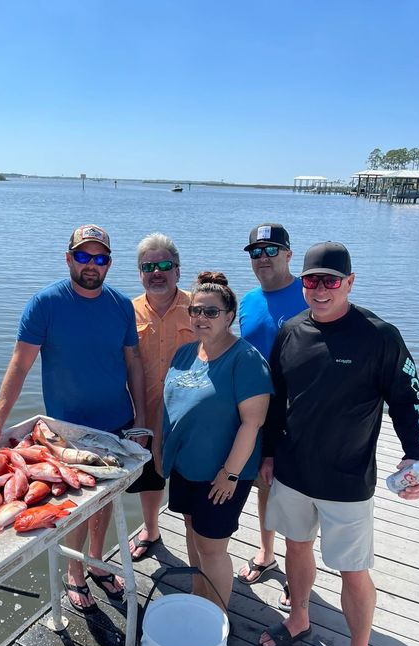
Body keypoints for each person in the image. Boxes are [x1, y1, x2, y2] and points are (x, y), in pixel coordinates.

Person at [258, 241, 419, 646]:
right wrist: (269, 454)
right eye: (311, 281)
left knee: (354, 570)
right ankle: (298, 617)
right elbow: (276, 400)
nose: (319, 290)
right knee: (296, 547)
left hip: (349, 479)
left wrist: (414, 458)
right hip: (294, 471)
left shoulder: (380, 336)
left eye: (330, 281)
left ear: (349, 283)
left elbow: (410, 400)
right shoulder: (290, 331)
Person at [0, 224, 146, 613]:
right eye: (83, 256)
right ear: (68, 257)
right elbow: (20, 364)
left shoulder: (120, 306)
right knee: (74, 502)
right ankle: (75, 571)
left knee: (104, 502)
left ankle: (97, 561)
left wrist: (140, 419)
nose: (92, 265)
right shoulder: (45, 304)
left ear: (108, 264)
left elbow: (133, 363)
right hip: (66, 431)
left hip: (116, 423)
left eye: (100, 258)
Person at [161, 272, 272, 610]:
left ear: (229, 317)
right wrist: (158, 452)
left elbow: (252, 423)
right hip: (185, 467)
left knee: (213, 548)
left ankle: (218, 616)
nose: (201, 318)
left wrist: (230, 474)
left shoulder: (246, 359)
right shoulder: (183, 354)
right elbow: (167, 406)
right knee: (193, 535)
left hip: (222, 475)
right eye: (195, 311)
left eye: (211, 312)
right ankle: (199, 597)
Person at [237, 223, 308, 592]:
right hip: (256, 411)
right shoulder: (247, 301)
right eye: (255, 252)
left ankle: (300, 579)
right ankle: (266, 554)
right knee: (264, 484)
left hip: (299, 413)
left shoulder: (310, 294)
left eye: (271, 250)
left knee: (296, 494)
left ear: (289, 255)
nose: (262, 258)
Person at [127, 233, 195, 561]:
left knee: (191, 482)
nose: (157, 272)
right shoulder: (127, 312)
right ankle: (151, 530)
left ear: (178, 271)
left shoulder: (200, 308)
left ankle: (196, 541)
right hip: (145, 413)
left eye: (164, 264)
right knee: (149, 478)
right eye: (148, 266)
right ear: (139, 273)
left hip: (191, 419)